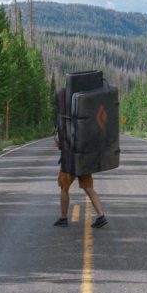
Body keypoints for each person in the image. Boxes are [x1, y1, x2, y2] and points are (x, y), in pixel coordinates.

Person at [53, 90, 106, 228]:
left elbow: (58, 141)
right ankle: (101, 215)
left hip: (69, 159)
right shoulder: (89, 119)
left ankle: (64, 218)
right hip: (84, 158)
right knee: (89, 188)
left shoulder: (64, 119)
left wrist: (57, 137)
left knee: (64, 188)